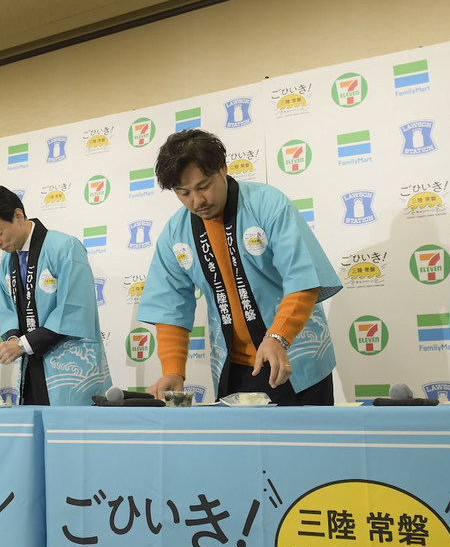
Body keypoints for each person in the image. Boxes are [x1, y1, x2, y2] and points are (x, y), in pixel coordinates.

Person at [138, 129, 341, 405]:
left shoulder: (267, 204)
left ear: (223, 168)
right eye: (183, 193)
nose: (196, 201)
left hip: (294, 356)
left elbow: (302, 277)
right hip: (235, 367)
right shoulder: (176, 232)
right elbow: (169, 306)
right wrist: (173, 370)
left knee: (311, 446)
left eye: (203, 186)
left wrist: (279, 335)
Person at [0, 186, 111, 405]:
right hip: (31, 366)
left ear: (18, 216)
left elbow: (73, 309)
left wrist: (22, 345)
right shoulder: (7, 263)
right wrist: (14, 340)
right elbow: (6, 311)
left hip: (70, 368)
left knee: (71, 435)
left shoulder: (64, 247)